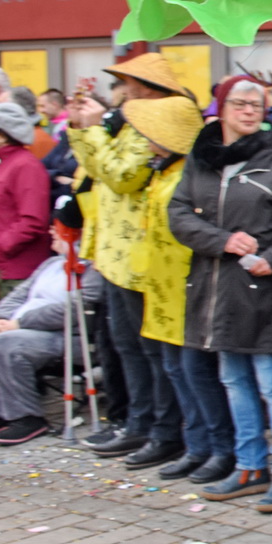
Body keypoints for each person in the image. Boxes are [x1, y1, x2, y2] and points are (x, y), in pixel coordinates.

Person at [170, 78, 272, 513]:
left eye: (256, 105)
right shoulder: (201, 160)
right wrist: (220, 240)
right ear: (221, 109)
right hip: (214, 291)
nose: (248, 111)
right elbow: (179, 214)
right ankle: (250, 467)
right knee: (233, 380)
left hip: (263, 291)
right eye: (239, 104)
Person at [67, 53, 194, 459]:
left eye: (127, 83)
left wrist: (93, 132)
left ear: (146, 88)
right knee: (126, 345)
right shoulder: (128, 121)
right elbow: (98, 172)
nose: (121, 90)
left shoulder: (154, 123)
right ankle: (139, 423)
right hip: (115, 251)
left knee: (149, 348)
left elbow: (124, 177)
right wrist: (84, 129)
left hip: (142, 254)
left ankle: (162, 429)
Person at [119, 95, 237, 483]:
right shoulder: (164, 171)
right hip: (162, 291)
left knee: (195, 372)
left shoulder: (189, 174)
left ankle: (219, 447)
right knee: (175, 369)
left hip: (187, 291)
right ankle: (197, 444)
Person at [0, 232, 103, 444]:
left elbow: (78, 307)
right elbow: (18, 295)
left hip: (69, 335)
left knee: (7, 345)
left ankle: (27, 418)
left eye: (57, 228)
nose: (51, 231)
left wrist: (21, 323)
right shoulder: (51, 263)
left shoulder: (92, 269)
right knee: (0, 338)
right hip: (19, 326)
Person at [0, 102, 51, 292]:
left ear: (2, 135)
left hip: (15, 272)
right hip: (1, 267)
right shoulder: (2, 163)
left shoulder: (26, 166)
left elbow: (33, 221)